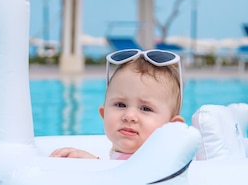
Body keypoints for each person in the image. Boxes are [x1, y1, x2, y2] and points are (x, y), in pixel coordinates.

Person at [50, 49, 185, 160]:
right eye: (120, 105)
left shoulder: (160, 161)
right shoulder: (122, 153)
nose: (129, 116)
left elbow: (131, 180)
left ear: (172, 126)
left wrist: (93, 163)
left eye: (145, 108)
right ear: (104, 114)